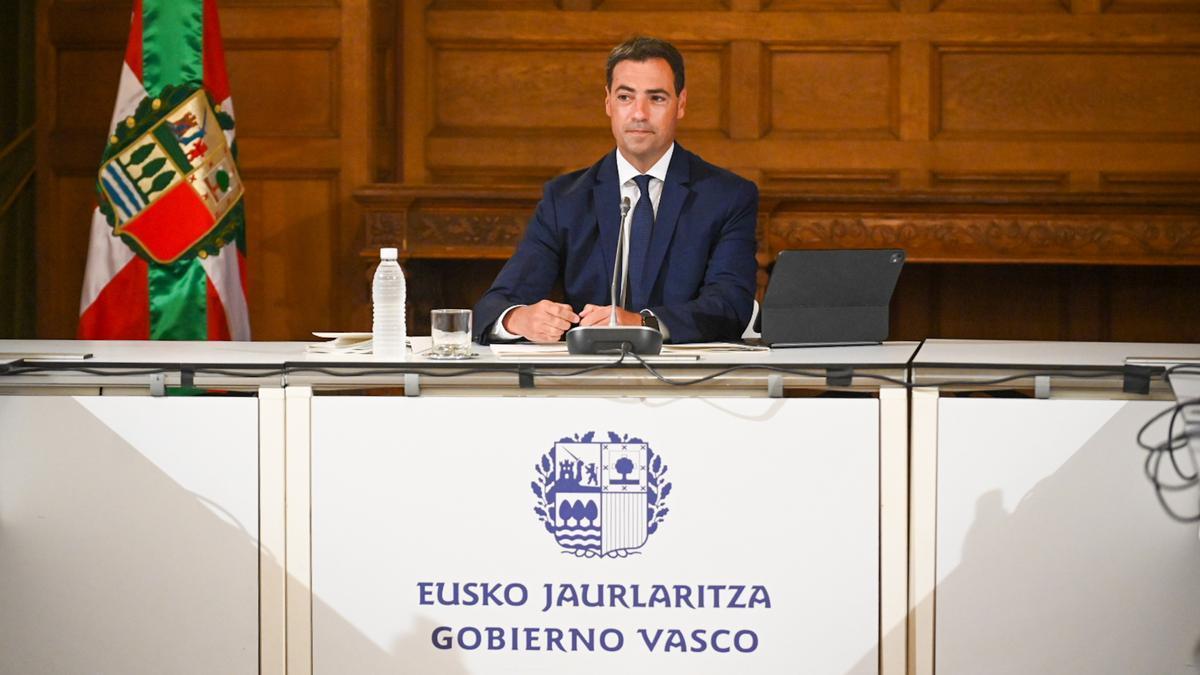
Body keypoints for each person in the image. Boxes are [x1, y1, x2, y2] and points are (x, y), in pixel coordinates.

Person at [472, 36, 758, 344]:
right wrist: (520, 319)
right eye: (625, 97)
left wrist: (642, 323)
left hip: (688, 380)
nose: (639, 113)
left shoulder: (727, 197)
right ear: (608, 102)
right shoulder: (565, 199)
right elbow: (493, 306)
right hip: (585, 382)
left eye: (657, 98)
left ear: (681, 104)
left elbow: (729, 307)